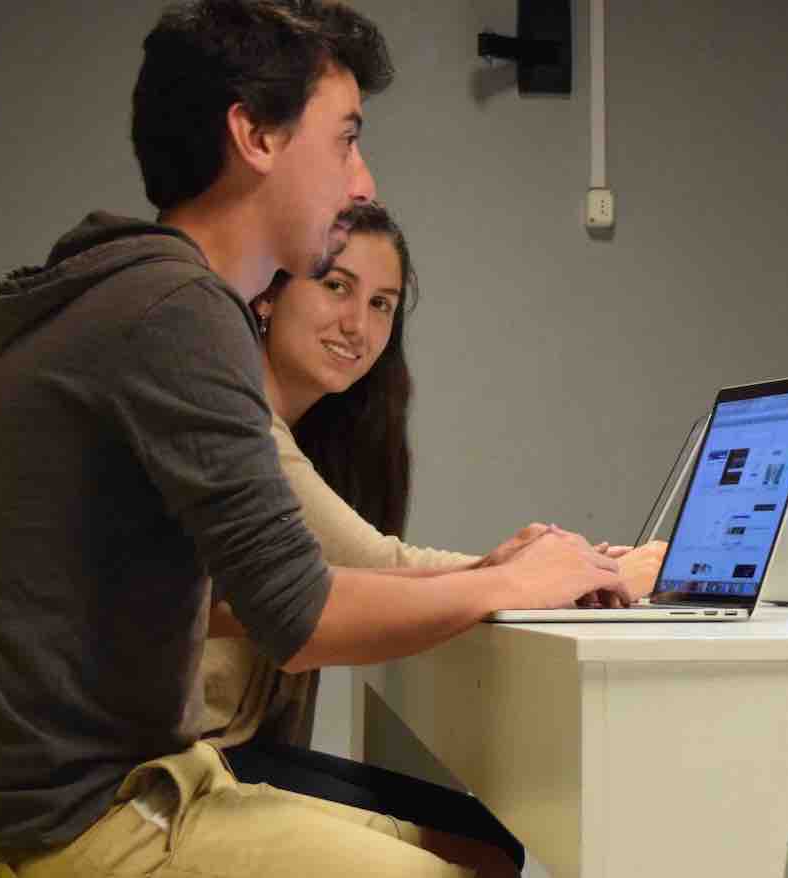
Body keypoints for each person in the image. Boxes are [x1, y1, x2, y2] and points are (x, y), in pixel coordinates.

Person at [0, 3, 629, 876]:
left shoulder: (130, 292)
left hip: (100, 793)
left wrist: (493, 575)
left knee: (478, 856)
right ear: (254, 135)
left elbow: (261, 596)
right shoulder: (175, 310)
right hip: (69, 827)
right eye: (346, 140)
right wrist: (511, 583)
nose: (362, 182)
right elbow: (298, 617)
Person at [199, 201, 668, 873]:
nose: (358, 325)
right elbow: (372, 563)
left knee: (487, 838)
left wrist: (525, 568)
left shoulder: (289, 433)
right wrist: (567, 573)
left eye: (382, 304)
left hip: (228, 748)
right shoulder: (244, 430)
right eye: (336, 286)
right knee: (484, 848)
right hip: (187, 758)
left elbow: (367, 572)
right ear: (269, 295)